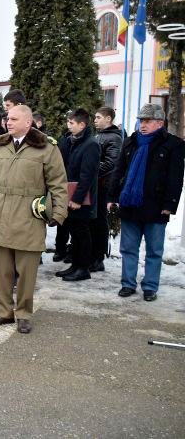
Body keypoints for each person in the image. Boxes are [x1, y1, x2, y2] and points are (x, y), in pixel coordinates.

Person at [0, 105, 68, 334]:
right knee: (2, 270)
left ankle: (24, 314)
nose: (9, 122)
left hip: (29, 215)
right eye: (8, 118)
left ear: (28, 123)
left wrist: (58, 213)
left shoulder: (46, 148)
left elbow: (58, 183)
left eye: (15, 119)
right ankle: (4, 311)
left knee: (27, 271)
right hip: (0, 213)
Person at [108, 104, 184, 302]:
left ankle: (150, 286)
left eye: (148, 121)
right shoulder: (131, 142)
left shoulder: (173, 144)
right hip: (130, 205)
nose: (143, 124)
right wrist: (112, 197)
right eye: (141, 120)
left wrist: (170, 204)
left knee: (154, 251)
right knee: (128, 248)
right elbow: (119, 171)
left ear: (160, 123)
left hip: (156, 206)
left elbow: (175, 178)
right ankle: (128, 284)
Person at [55, 109, 100, 282]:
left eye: (71, 123)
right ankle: (75, 265)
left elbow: (87, 175)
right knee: (74, 232)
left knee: (82, 233)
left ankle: (83, 268)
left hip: (81, 199)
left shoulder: (90, 144)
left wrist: (77, 199)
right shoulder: (73, 141)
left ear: (82, 124)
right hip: (70, 193)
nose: (68, 126)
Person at [90, 106, 122, 272]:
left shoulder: (113, 138)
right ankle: (91, 254)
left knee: (100, 221)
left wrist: (90, 170)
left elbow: (112, 163)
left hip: (103, 185)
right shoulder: (97, 135)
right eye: (95, 117)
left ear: (108, 119)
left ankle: (98, 257)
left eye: (98, 117)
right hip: (94, 184)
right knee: (92, 221)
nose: (95, 120)